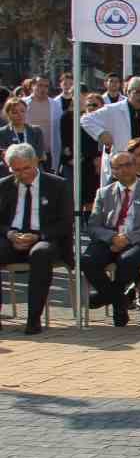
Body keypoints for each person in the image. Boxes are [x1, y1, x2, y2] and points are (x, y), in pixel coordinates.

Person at [81, 150, 140, 326]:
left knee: (127, 260)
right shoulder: (103, 193)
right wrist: (113, 238)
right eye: (119, 167)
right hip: (110, 239)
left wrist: (127, 239)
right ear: (112, 171)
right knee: (87, 260)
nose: (125, 170)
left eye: (128, 165)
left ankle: (106, 298)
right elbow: (93, 226)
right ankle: (118, 299)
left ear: (135, 166)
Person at [0, 143, 72, 333]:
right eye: (16, 170)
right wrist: (10, 234)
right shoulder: (4, 186)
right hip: (12, 238)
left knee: (41, 253)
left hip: (45, 238)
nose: (22, 174)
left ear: (35, 162)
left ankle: (33, 319)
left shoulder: (58, 184)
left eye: (26, 168)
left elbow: (65, 223)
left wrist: (37, 236)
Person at [81, 76, 140, 182]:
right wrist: (101, 133)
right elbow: (86, 119)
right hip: (119, 167)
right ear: (128, 91)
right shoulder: (112, 110)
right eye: (138, 92)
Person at [1, 96, 47, 170]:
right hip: (11, 172)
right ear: (7, 114)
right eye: (14, 112)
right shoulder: (2, 132)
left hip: (33, 170)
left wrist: (27, 167)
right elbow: (4, 156)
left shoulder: (36, 130)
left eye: (22, 111)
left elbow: (39, 154)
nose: (20, 115)